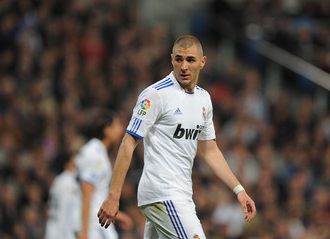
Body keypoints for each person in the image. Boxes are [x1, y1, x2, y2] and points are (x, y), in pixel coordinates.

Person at [98, 35, 257, 238]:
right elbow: (128, 142)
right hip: (164, 193)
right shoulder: (156, 95)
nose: (184, 66)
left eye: (190, 60)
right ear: (171, 59)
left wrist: (239, 190)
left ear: (202, 62)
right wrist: (113, 196)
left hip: (181, 194)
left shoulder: (204, 99)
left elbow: (210, 151)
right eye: (179, 59)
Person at [76, 109, 134, 239]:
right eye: (117, 125)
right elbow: (86, 192)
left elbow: (97, 195)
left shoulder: (99, 152)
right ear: (106, 130)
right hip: (92, 225)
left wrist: (119, 216)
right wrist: (84, 231)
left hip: (96, 220)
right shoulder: (94, 153)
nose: (120, 130)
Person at [45, 152, 81, 239]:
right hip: (60, 227)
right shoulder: (67, 183)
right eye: (75, 160)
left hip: (55, 225)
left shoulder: (60, 180)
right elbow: (64, 210)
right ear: (67, 164)